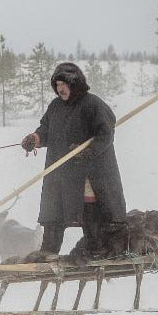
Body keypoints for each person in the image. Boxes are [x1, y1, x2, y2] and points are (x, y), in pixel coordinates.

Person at [21, 62, 127, 258]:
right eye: (57, 84)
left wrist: (86, 151)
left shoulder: (92, 104)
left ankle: (95, 249)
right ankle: (47, 252)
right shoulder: (55, 106)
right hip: (59, 171)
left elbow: (106, 133)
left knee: (88, 208)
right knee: (53, 208)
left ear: (75, 83)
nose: (60, 89)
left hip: (86, 172)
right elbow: (45, 129)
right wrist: (35, 139)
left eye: (64, 84)